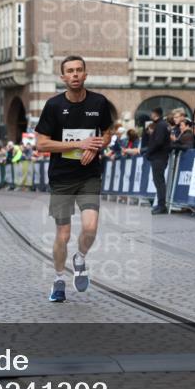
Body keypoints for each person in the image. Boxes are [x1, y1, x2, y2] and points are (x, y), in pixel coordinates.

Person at [34, 55, 114, 302]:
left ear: (86, 74)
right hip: (62, 178)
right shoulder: (54, 106)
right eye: (70, 71)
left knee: (90, 227)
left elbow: (108, 133)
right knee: (63, 234)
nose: (75, 74)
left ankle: (79, 258)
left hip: (89, 175)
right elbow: (41, 143)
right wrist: (80, 143)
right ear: (63, 77)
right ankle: (59, 279)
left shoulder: (99, 102)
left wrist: (97, 146)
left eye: (79, 70)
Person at [143, 106, 171, 214]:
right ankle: (160, 204)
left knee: (159, 181)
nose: (151, 116)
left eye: (152, 114)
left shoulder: (160, 125)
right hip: (160, 156)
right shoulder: (163, 125)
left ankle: (161, 205)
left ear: (155, 114)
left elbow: (158, 142)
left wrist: (149, 152)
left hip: (159, 157)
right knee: (158, 181)